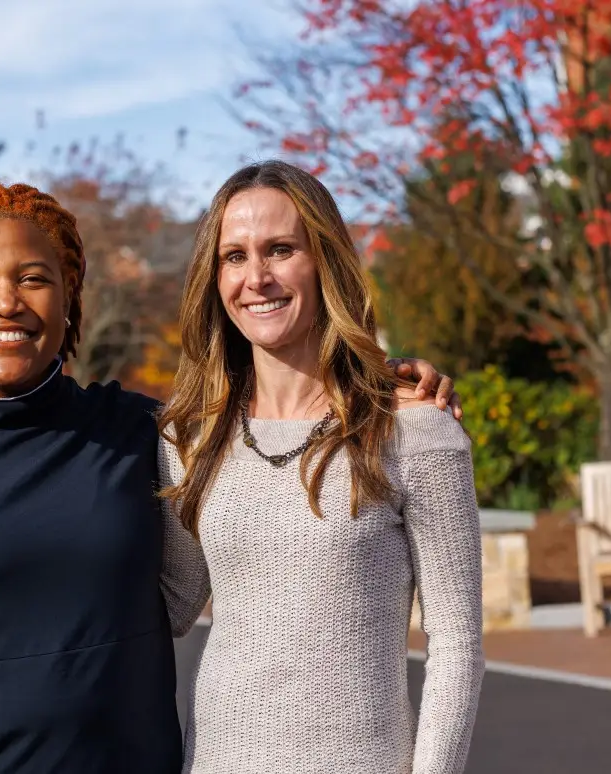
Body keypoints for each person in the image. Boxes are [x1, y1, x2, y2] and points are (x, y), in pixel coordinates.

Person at [0, 179, 459, 773]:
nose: (6, 301)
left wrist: (382, 380)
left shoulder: (144, 434)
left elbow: (277, 420)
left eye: (33, 278)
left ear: (69, 302)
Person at [158, 160, 484, 773]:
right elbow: (168, 607)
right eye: (235, 256)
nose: (256, 277)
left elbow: (457, 642)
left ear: (324, 260)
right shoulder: (191, 437)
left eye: (280, 250)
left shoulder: (416, 430)